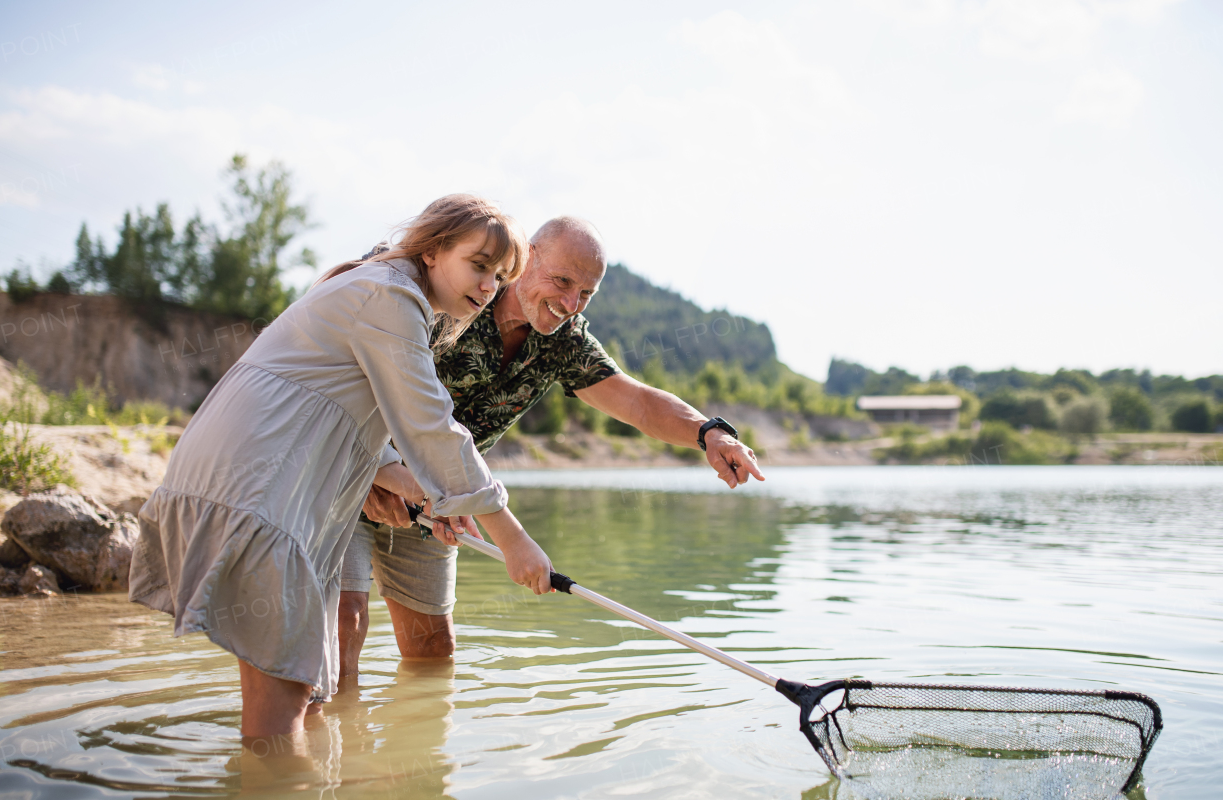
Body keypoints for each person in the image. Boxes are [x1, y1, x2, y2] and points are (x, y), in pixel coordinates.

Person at [128, 194, 555, 740]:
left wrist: (421, 491)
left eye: (499, 275)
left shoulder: (383, 289)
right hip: (259, 494)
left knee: (302, 701)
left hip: (259, 489)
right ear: (432, 250)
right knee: (281, 721)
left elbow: (348, 411)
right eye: (478, 265)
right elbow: (431, 427)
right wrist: (512, 538)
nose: (490, 285)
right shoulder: (389, 295)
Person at [338, 216, 765, 672]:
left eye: (585, 294)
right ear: (527, 256)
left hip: (444, 499)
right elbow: (353, 376)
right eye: (562, 281)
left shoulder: (564, 340)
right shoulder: (457, 292)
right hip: (349, 469)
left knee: (432, 658)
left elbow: (637, 402)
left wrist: (708, 432)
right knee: (345, 627)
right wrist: (375, 475)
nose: (569, 303)